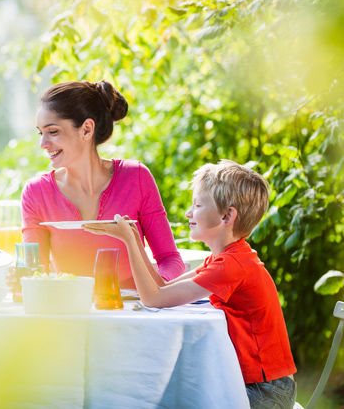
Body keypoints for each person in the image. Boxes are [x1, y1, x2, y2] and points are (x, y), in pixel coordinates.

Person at [84, 160, 297, 408]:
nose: (188, 213)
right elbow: (162, 287)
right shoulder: (225, 258)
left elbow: (153, 299)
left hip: (265, 392)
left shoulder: (231, 265)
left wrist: (129, 243)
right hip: (258, 385)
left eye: (197, 205)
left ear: (227, 215)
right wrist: (132, 237)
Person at [21, 80, 184, 287]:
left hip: (136, 313)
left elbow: (170, 259)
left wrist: (158, 289)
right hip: (71, 313)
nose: (43, 144)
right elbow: (35, 271)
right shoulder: (37, 192)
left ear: (86, 130)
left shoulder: (136, 178)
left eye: (53, 132)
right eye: (40, 133)